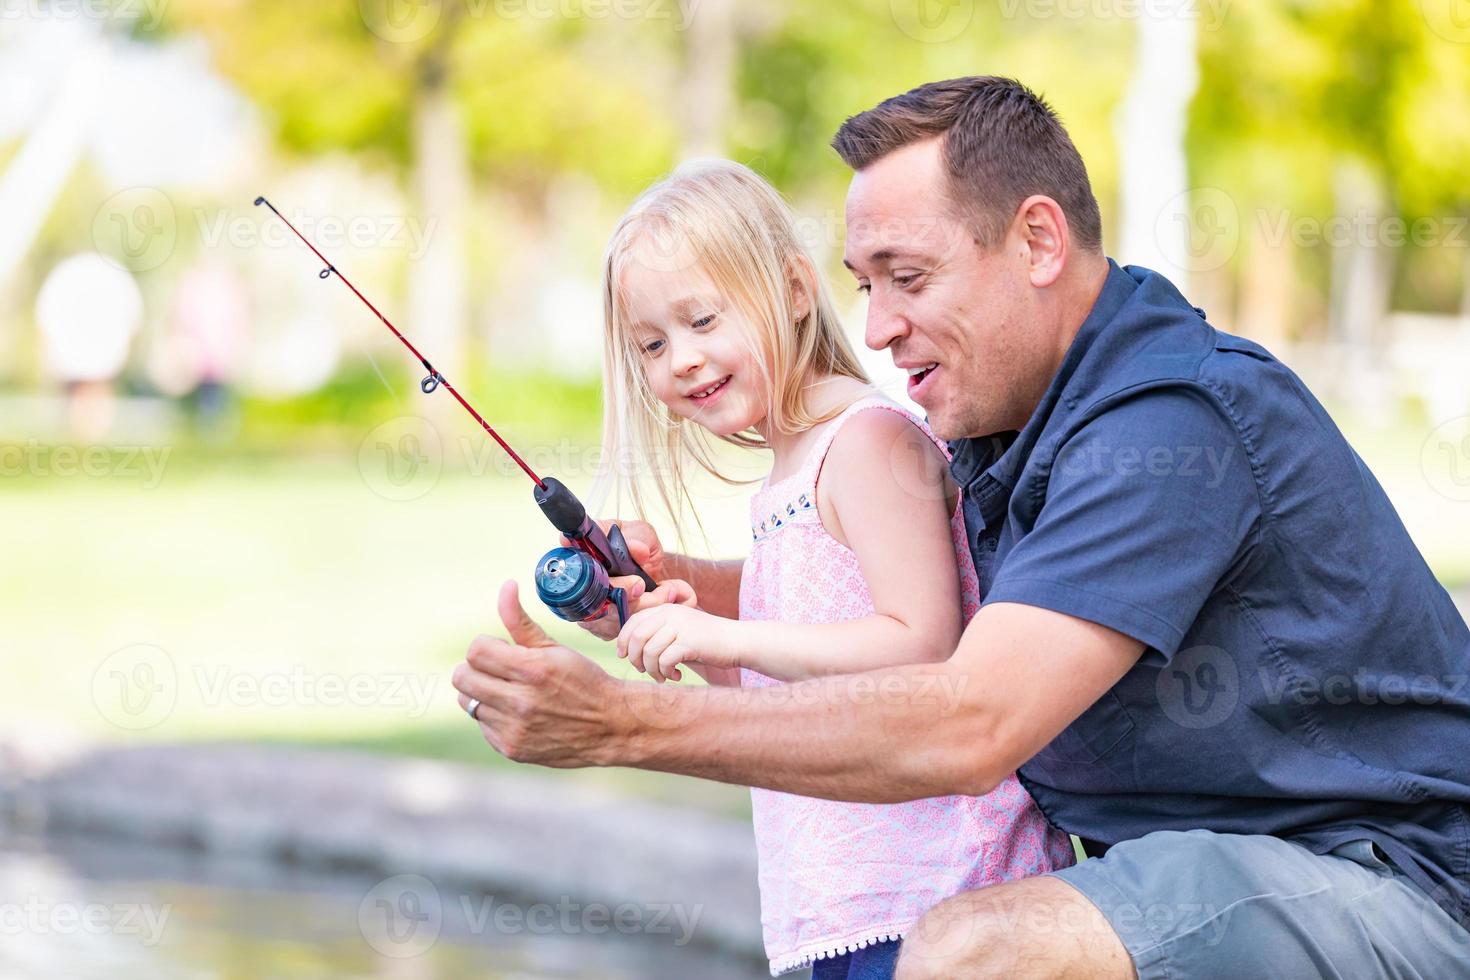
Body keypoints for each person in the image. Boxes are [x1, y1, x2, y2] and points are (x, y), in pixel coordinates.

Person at [454, 77, 1470, 978]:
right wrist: (689, 580)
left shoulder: (1168, 428)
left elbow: (968, 721)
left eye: (908, 275)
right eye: (866, 284)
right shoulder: (1008, 413)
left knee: (972, 951)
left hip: (1389, 880)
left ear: (1037, 239)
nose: (878, 325)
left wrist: (623, 723)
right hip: (1211, 870)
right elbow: (865, 582)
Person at [588, 158, 1072, 977]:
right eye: (653, 343)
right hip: (841, 918)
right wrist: (667, 627)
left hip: (939, 912)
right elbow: (789, 701)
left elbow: (920, 648)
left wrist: (724, 631)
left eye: (704, 319)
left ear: (796, 291)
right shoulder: (787, 476)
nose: (683, 360)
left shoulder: (870, 444)